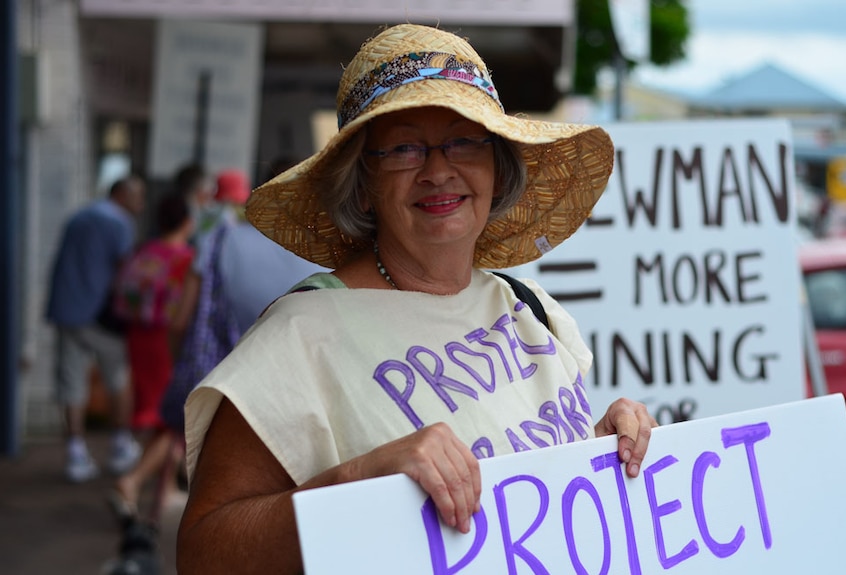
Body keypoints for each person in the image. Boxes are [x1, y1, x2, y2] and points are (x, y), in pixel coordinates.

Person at [177, 24, 657, 574]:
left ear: (497, 168)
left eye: (464, 140)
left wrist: (605, 448)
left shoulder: (529, 307)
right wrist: (358, 479)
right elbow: (202, 553)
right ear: (362, 182)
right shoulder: (301, 335)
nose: (437, 170)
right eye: (404, 148)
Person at [46, 175, 146, 483]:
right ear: (122, 194)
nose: (140, 202)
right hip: (101, 315)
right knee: (118, 379)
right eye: (137, 195)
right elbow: (125, 270)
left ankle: (75, 454)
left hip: (66, 309)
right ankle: (119, 445)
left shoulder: (79, 216)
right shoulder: (119, 223)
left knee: (71, 383)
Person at [109, 192, 195, 520]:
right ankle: (133, 483)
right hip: (167, 341)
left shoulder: (143, 253)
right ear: (187, 222)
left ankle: (162, 494)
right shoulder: (187, 259)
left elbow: (122, 295)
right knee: (172, 420)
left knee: (162, 417)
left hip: (138, 337)